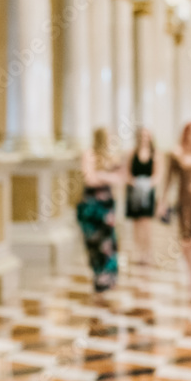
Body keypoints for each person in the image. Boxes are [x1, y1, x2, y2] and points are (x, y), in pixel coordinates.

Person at [157, 120, 191, 306]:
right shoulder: (176, 154)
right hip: (184, 203)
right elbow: (168, 180)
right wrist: (162, 201)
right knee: (186, 243)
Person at [77, 127, 127, 300]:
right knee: (93, 241)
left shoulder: (111, 156)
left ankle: (108, 277)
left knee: (109, 242)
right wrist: (106, 176)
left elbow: (120, 178)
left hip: (107, 206)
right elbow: (89, 179)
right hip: (91, 206)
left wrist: (102, 175)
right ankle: (98, 276)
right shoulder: (89, 154)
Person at [125, 127, 157, 265]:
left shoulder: (155, 154)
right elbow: (126, 172)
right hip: (134, 191)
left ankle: (147, 251)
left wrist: (146, 184)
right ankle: (138, 252)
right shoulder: (132, 153)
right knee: (136, 223)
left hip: (148, 191)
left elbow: (157, 174)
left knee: (146, 223)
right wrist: (135, 182)